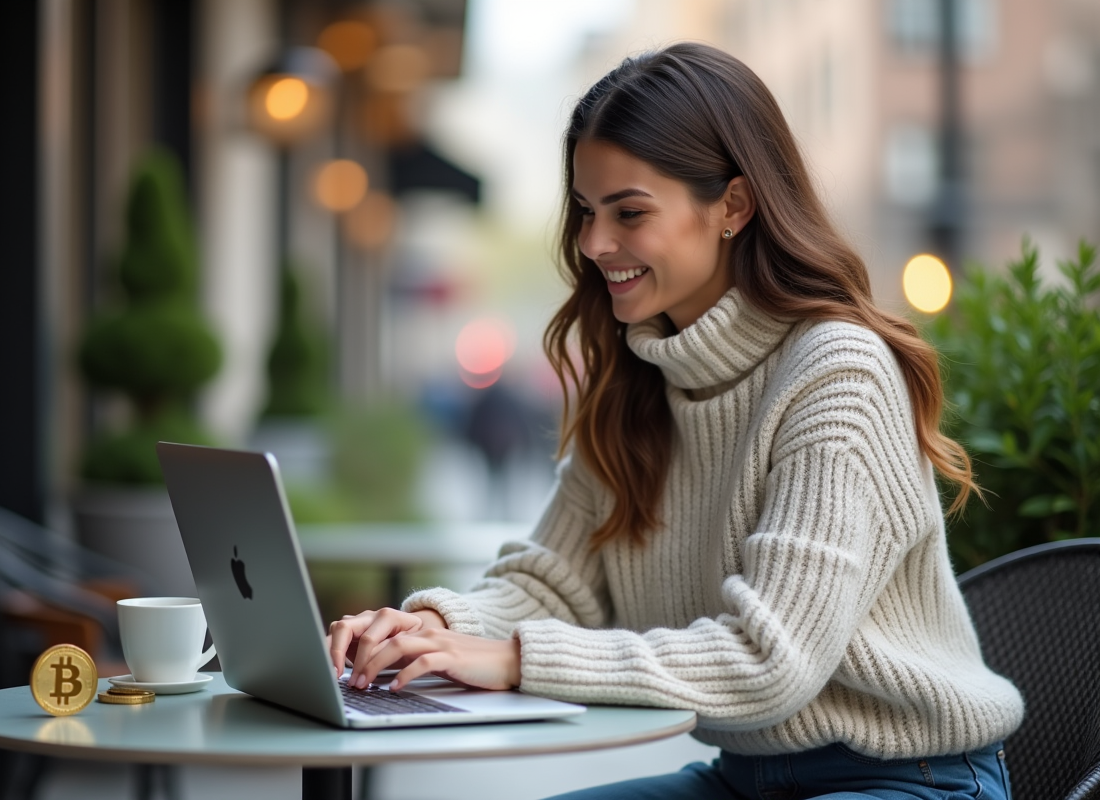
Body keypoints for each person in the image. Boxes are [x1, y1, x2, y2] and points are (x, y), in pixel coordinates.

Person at [328, 42, 1023, 799]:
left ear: (734, 206)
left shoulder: (838, 373)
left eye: (629, 212)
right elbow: (552, 585)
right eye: (587, 211)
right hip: (746, 780)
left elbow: (770, 660)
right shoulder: (641, 380)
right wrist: (430, 629)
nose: (593, 243)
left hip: (909, 781)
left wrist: (517, 659)